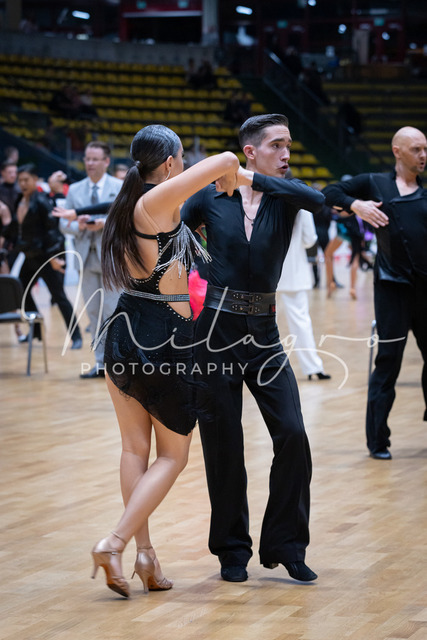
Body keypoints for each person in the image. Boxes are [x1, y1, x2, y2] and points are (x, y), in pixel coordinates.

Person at [90, 124, 240, 598]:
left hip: (125, 330)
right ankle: (113, 542)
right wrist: (229, 174)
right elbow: (226, 159)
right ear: (171, 162)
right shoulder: (153, 201)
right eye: (181, 158)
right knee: (174, 456)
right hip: (163, 338)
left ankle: (145, 556)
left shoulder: (132, 204)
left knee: (134, 450)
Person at [181, 114, 325, 584]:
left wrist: (251, 179)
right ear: (250, 150)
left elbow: (318, 200)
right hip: (213, 331)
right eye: (277, 145)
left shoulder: (285, 196)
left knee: (293, 433)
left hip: (263, 330)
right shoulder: (209, 196)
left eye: (289, 145)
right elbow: (172, 231)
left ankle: (286, 544)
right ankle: (231, 550)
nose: (286, 154)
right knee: (223, 442)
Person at [323, 126, 426, 460]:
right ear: (397, 151)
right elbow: (329, 192)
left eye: (425, 149)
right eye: (416, 149)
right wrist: (356, 205)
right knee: (388, 363)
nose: (423, 155)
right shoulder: (375, 183)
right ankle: (378, 440)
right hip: (392, 290)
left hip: (425, 291)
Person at [59, 141, 123, 378]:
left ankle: (118, 362)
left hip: (112, 259)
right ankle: (100, 363)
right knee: (93, 312)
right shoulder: (75, 190)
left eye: (95, 159)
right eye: (87, 158)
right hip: (85, 258)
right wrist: (79, 225)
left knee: (112, 311)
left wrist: (103, 223)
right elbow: (63, 224)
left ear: (106, 161)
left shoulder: (119, 186)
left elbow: (126, 220)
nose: (90, 163)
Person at [4, 164, 82, 347]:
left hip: (46, 258)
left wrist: (54, 257)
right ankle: (37, 331)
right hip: (29, 256)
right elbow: (16, 228)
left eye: (26, 180)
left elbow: (53, 232)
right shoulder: (19, 201)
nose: (23, 184)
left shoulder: (41, 201)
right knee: (22, 293)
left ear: (35, 180)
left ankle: (76, 336)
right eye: (20, 180)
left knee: (59, 296)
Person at [277, 208, 331, 381]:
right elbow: (309, 240)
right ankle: (313, 367)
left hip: (267, 270)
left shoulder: (264, 199)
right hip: (294, 271)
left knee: (263, 324)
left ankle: (260, 368)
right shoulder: (301, 204)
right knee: (301, 322)